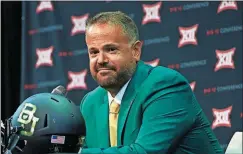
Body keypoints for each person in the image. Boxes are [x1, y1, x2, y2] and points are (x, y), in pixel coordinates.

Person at [79, 11, 223, 154]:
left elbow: (145, 152)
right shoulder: (90, 103)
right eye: (94, 52)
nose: (101, 60)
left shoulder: (165, 85)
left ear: (136, 51)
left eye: (111, 49)